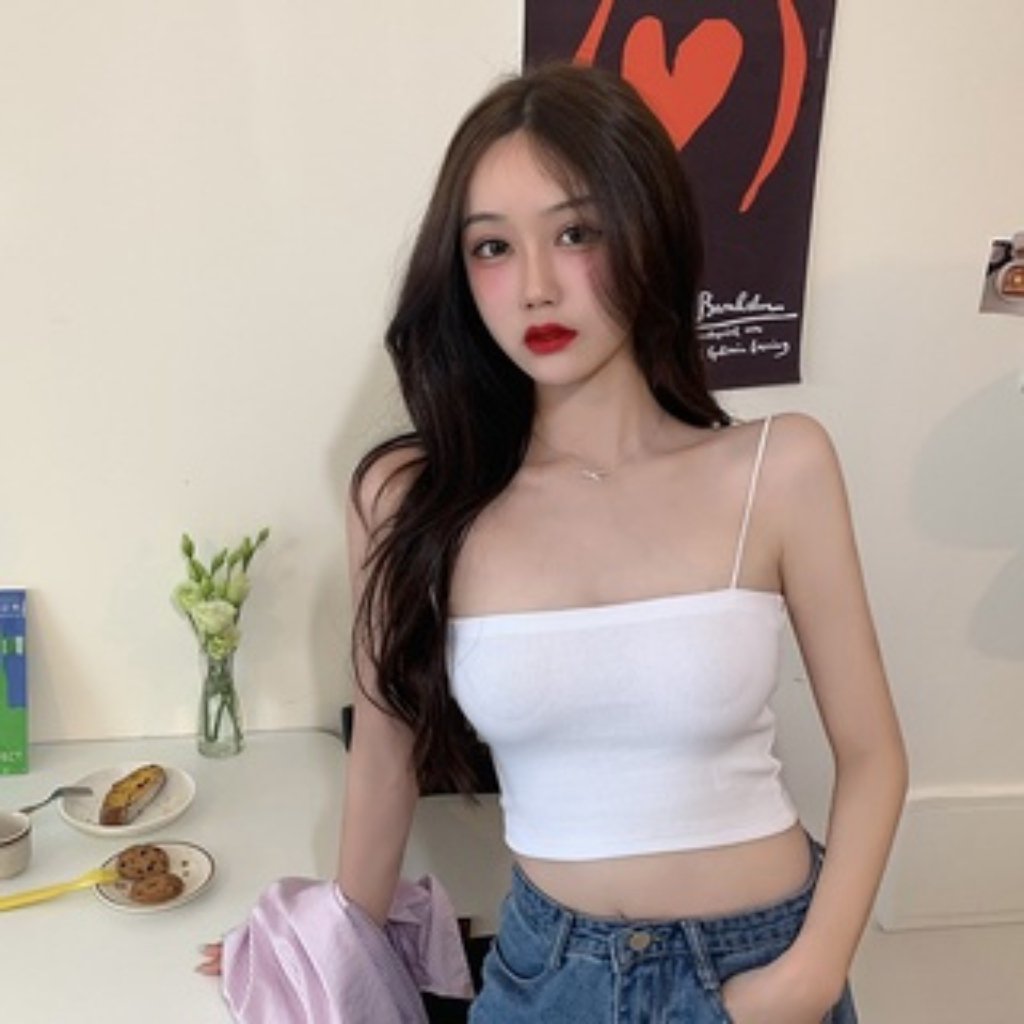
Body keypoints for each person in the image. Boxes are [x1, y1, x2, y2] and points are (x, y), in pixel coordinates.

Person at [203, 62, 907, 1023]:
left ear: (647, 231)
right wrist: (320, 949)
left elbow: (872, 757)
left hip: (757, 970)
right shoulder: (411, 496)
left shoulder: (778, 468)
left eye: (576, 233)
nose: (536, 288)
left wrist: (809, 979)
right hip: (548, 977)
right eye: (493, 247)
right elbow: (384, 757)